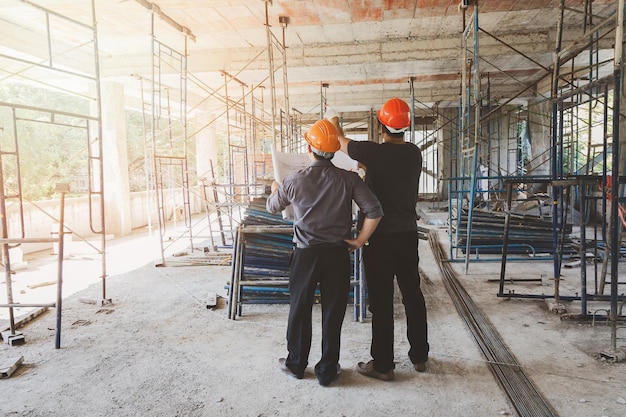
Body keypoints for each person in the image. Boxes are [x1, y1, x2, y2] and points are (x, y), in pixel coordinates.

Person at [266, 118, 383, 387]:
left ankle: (296, 364)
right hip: (336, 255)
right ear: (334, 150)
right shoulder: (349, 179)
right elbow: (375, 210)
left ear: (310, 147)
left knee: (300, 309)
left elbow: (273, 207)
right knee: (332, 312)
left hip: (305, 255)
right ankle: (328, 370)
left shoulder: (294, 180)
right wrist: (359, 240)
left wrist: (276, 187)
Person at [328, 97, 429, 381]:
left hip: (379, 237)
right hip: (408, 235)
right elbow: (386, 168)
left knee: (382, 301)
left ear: (380, 125)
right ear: (406, 127)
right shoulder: (414, 153)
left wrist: (333, 115)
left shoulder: (372, 152)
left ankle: (383, 365)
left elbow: (337, 140)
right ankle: (420, 355)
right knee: (413, 295)